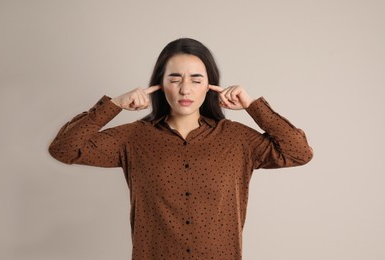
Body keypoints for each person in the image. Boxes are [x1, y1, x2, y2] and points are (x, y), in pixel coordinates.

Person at [49, 38, 313, 259]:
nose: (185, 89)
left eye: (196, 80)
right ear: (160, 84)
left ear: (210, 85)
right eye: (174, 79)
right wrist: (115, 104)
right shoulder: (134, 138)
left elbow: (298, 152)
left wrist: (252, 105)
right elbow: (64, 149)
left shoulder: (236, 139)